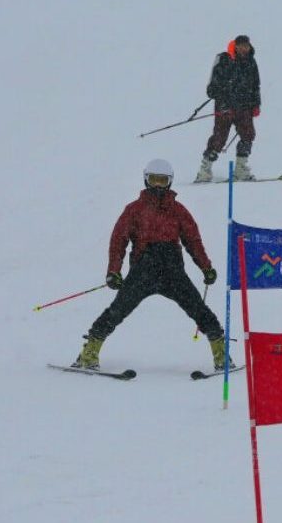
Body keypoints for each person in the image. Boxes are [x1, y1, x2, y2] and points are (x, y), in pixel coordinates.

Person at [72, 158, 233, 371]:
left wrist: (206, 267)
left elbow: (193, 241)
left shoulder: (178, 210)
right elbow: (119, 240)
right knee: (117, 311)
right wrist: (114, 271)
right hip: (143, 271)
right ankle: (89, 353)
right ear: (146, 180)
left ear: (169, 182)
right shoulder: (135, 209)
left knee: (198, 309)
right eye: (154, 180)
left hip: (172, 271)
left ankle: (221, 354)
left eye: (162, 180)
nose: (158, 185)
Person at [195, 34, 262, 182]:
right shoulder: (223, 59)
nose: (244, 48)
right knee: (219, 139)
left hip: (245, 108)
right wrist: (224, 104)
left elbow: (255, 85)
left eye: (247, 45)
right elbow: (212, 88)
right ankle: (204, 171)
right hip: (225, 108)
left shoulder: (251, 62)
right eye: (242, 45)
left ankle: (240, 170)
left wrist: (256, 105)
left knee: (248, 135)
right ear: (235, 46)